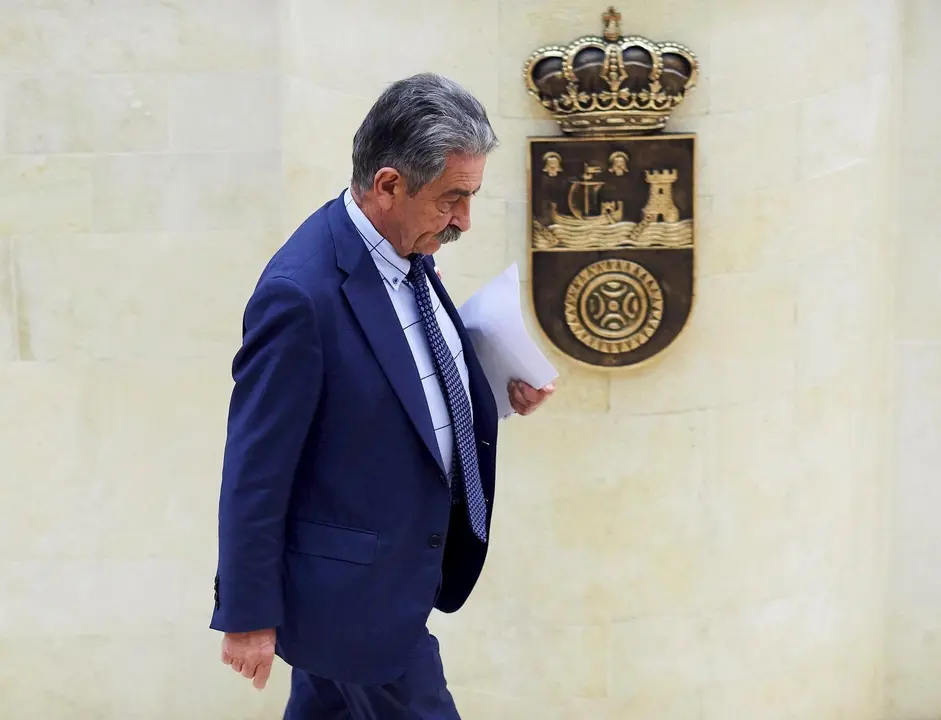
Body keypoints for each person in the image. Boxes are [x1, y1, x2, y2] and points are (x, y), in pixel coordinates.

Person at [209, 72, 555, 719]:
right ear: (389, 185)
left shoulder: (404, 250)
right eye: (452, 199)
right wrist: (247, 614)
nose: (464, 220)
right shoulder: (299, 295)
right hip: (355, 604)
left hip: (386, 580)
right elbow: (255, 468)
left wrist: (490, 391)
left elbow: (392, 384)